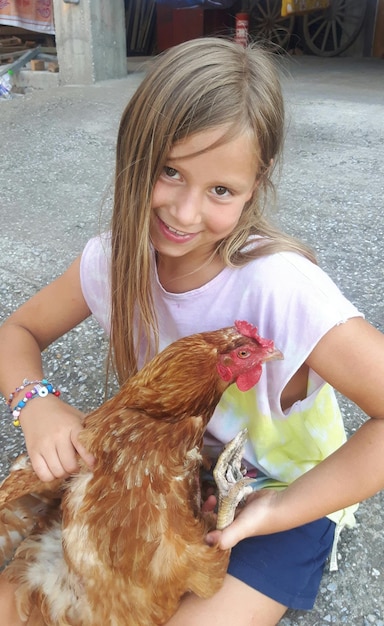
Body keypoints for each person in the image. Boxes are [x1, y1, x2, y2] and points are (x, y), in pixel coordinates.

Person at [0, 36, 383, 626]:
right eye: (168, 171)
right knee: (19, 600)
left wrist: (281, 509)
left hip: (271, 496)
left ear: (258, 180)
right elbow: (18, 330)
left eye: (220, 190)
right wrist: (35, 402)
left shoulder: (280, 287)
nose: (184, 213)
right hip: (160, 473)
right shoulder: (111, 260)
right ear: (132, 153)